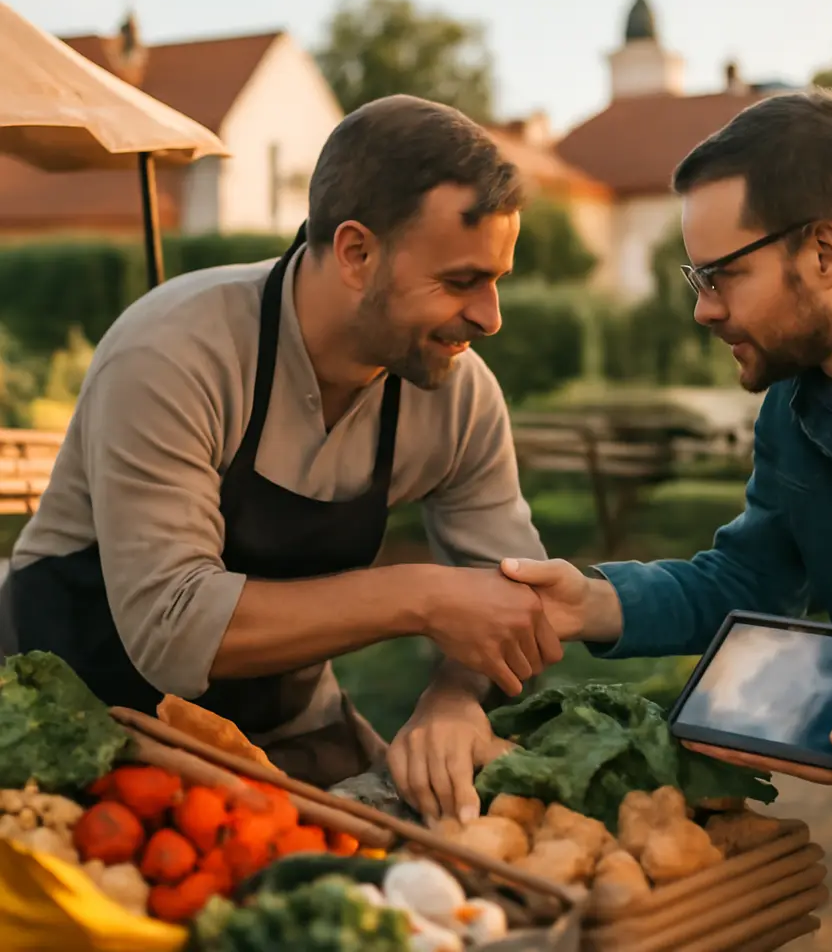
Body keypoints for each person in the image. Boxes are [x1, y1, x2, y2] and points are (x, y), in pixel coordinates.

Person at [491, 88, 832, 949]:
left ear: (822, 250)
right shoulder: (793, 414)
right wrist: (590, 602)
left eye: (720, 275)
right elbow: (747, 579)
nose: (701, 308)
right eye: (693, 279)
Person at [0, 95, 562, 817]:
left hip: (284, 722)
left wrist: (453, 701)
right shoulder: (174, 352)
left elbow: (517, 602)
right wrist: (424, 597)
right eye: (460, 282)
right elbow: (173, 632)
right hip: (70, 716)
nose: (491, 318)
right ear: (357, 253)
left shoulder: (456, 394)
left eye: (496, 280)